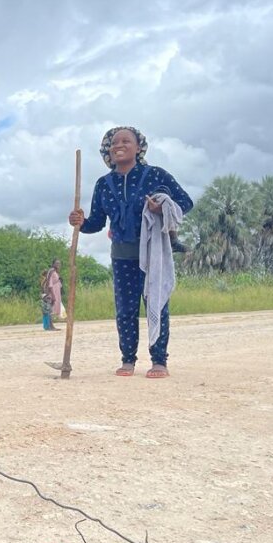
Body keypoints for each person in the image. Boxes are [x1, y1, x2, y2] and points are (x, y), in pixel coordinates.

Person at [69, 126, 193, 378]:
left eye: (126, 141)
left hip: (153, 252)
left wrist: (161, 209)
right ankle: (128, 360)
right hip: (122, 254)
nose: (118, 145)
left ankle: (159, 361)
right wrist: (79, 222)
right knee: (125, 309)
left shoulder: (155, 175)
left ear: (139, 148)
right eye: (114, 143)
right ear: (108, 150)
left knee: (155, 305)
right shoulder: (103, 184)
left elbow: (185, 203)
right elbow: (96, 223)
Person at [46, 258, 66, 322]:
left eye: (59, 263)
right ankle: (50, 325)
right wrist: (53, 295)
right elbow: (50, 284)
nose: (58, 265)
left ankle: (52, 324)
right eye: (57, 263)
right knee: (52, 308)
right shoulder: (51, 271)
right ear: (53, 264)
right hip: (53, 292)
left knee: (55, 308)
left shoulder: (55, 272)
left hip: (57, 292)